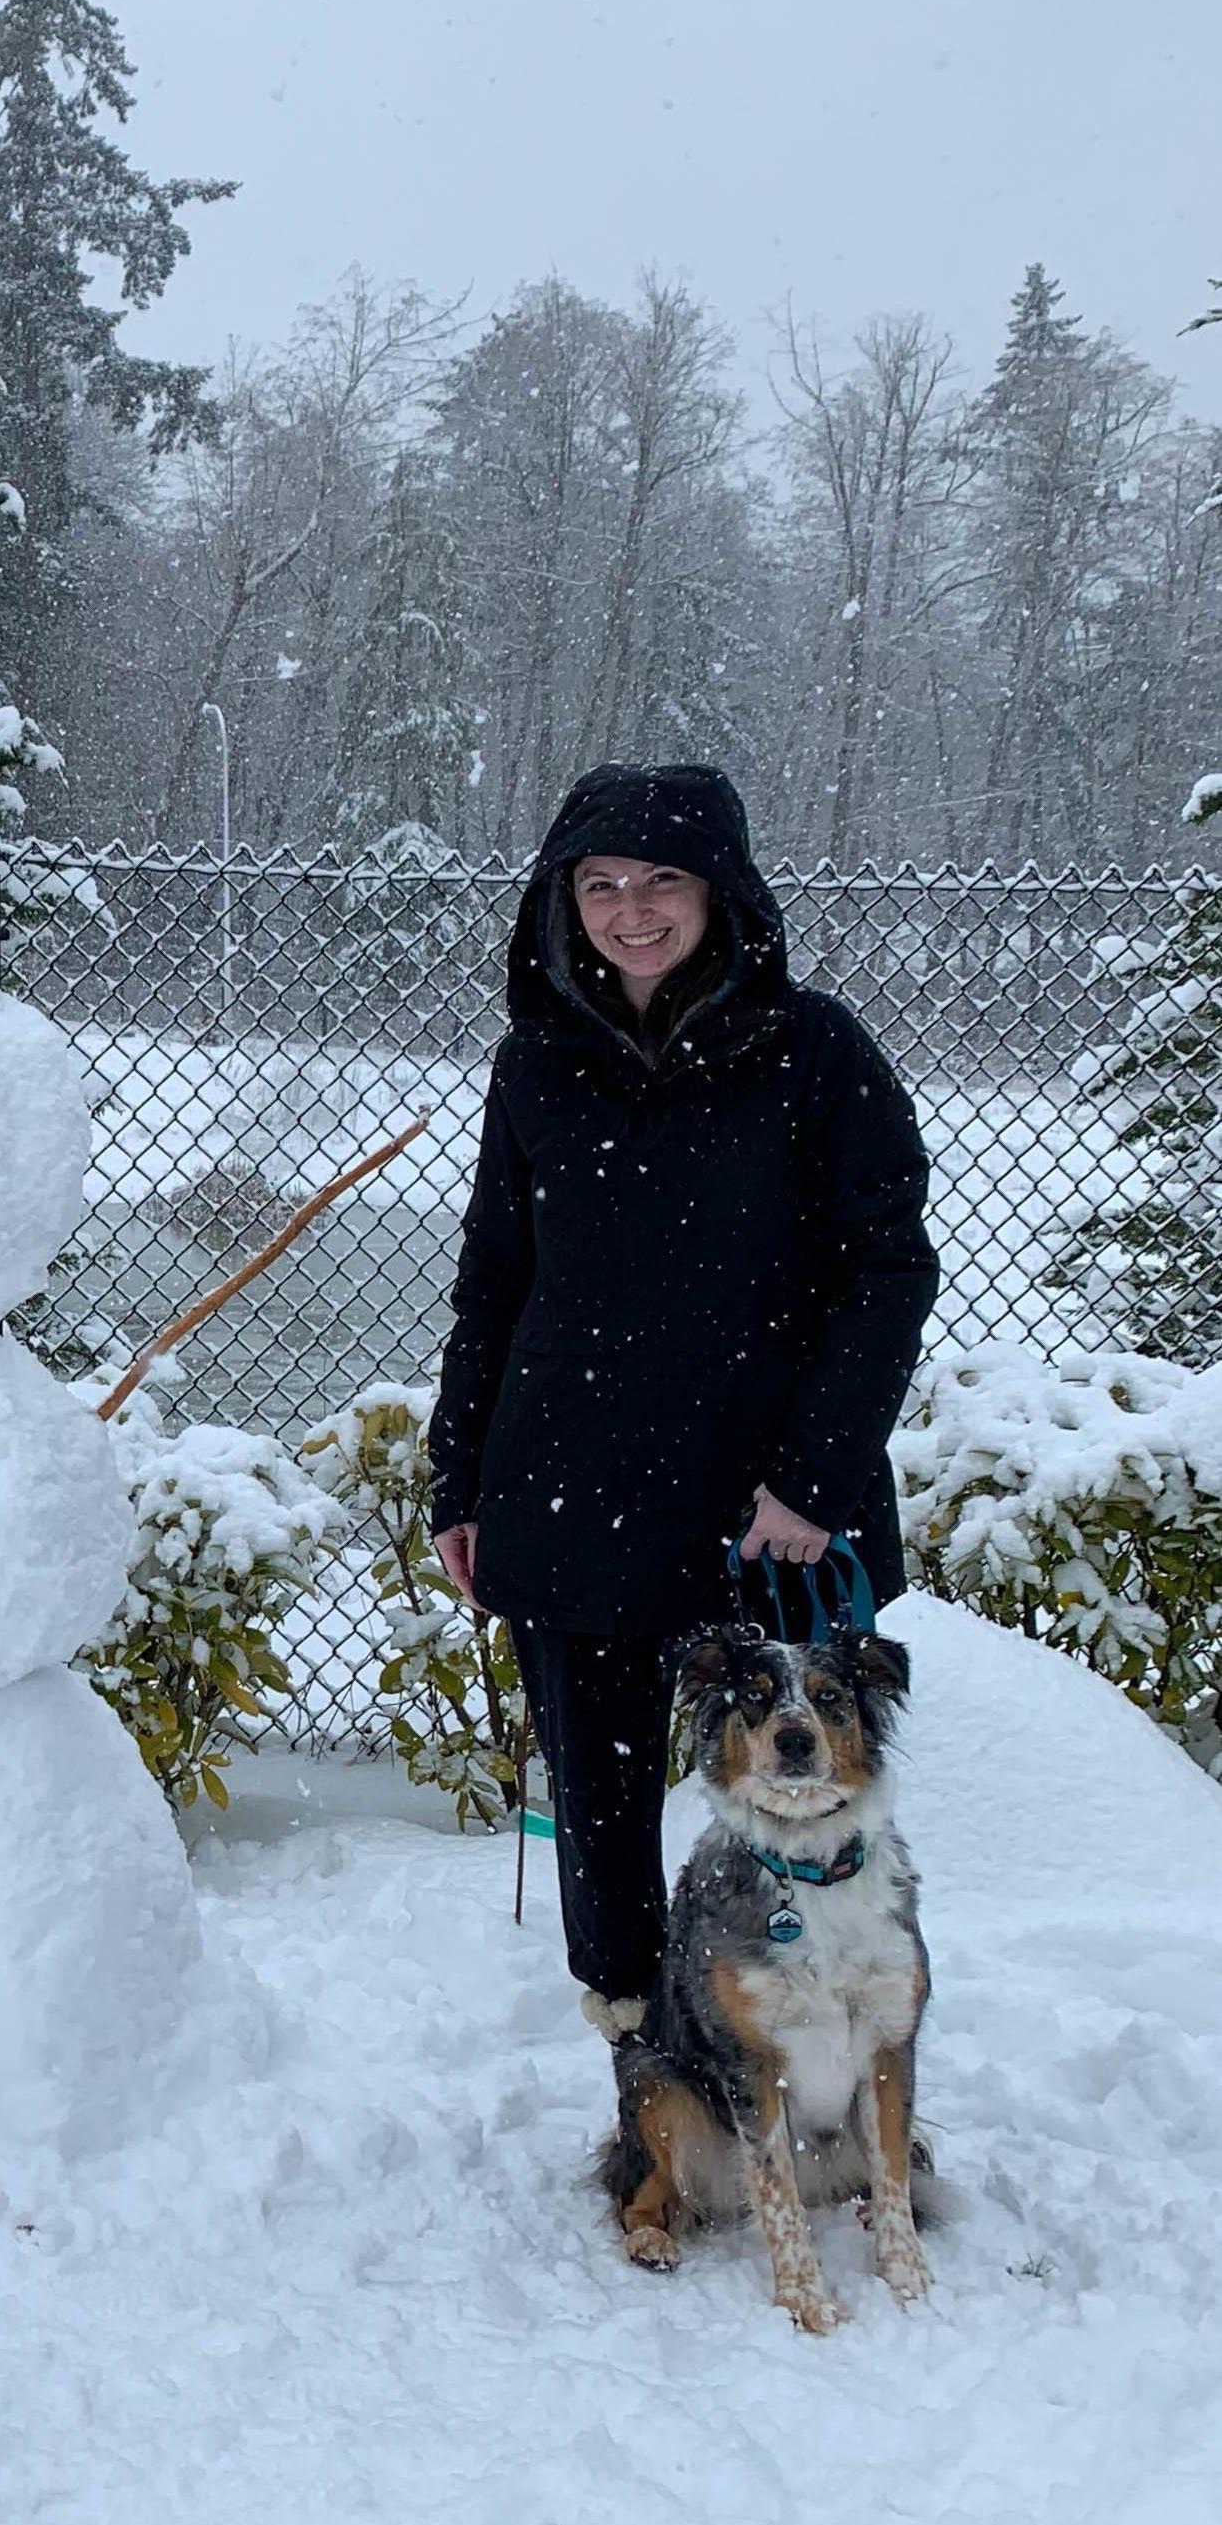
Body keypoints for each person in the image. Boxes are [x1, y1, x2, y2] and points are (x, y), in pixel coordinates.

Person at [426, 762, 938, 2042]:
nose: (631, 909)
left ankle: (792, 2062)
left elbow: (887, 1269)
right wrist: (460, 1482)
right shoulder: (535, 1063)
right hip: (568, 1488)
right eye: (599, 884)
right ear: (562, 902)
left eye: (662, 880)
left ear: (723, 896)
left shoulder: (814, 1051)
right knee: (599, 1819)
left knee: (789, 1802)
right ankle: (648, 2073)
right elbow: (495, 1280)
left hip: (764, 1514)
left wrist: (815, 1479)